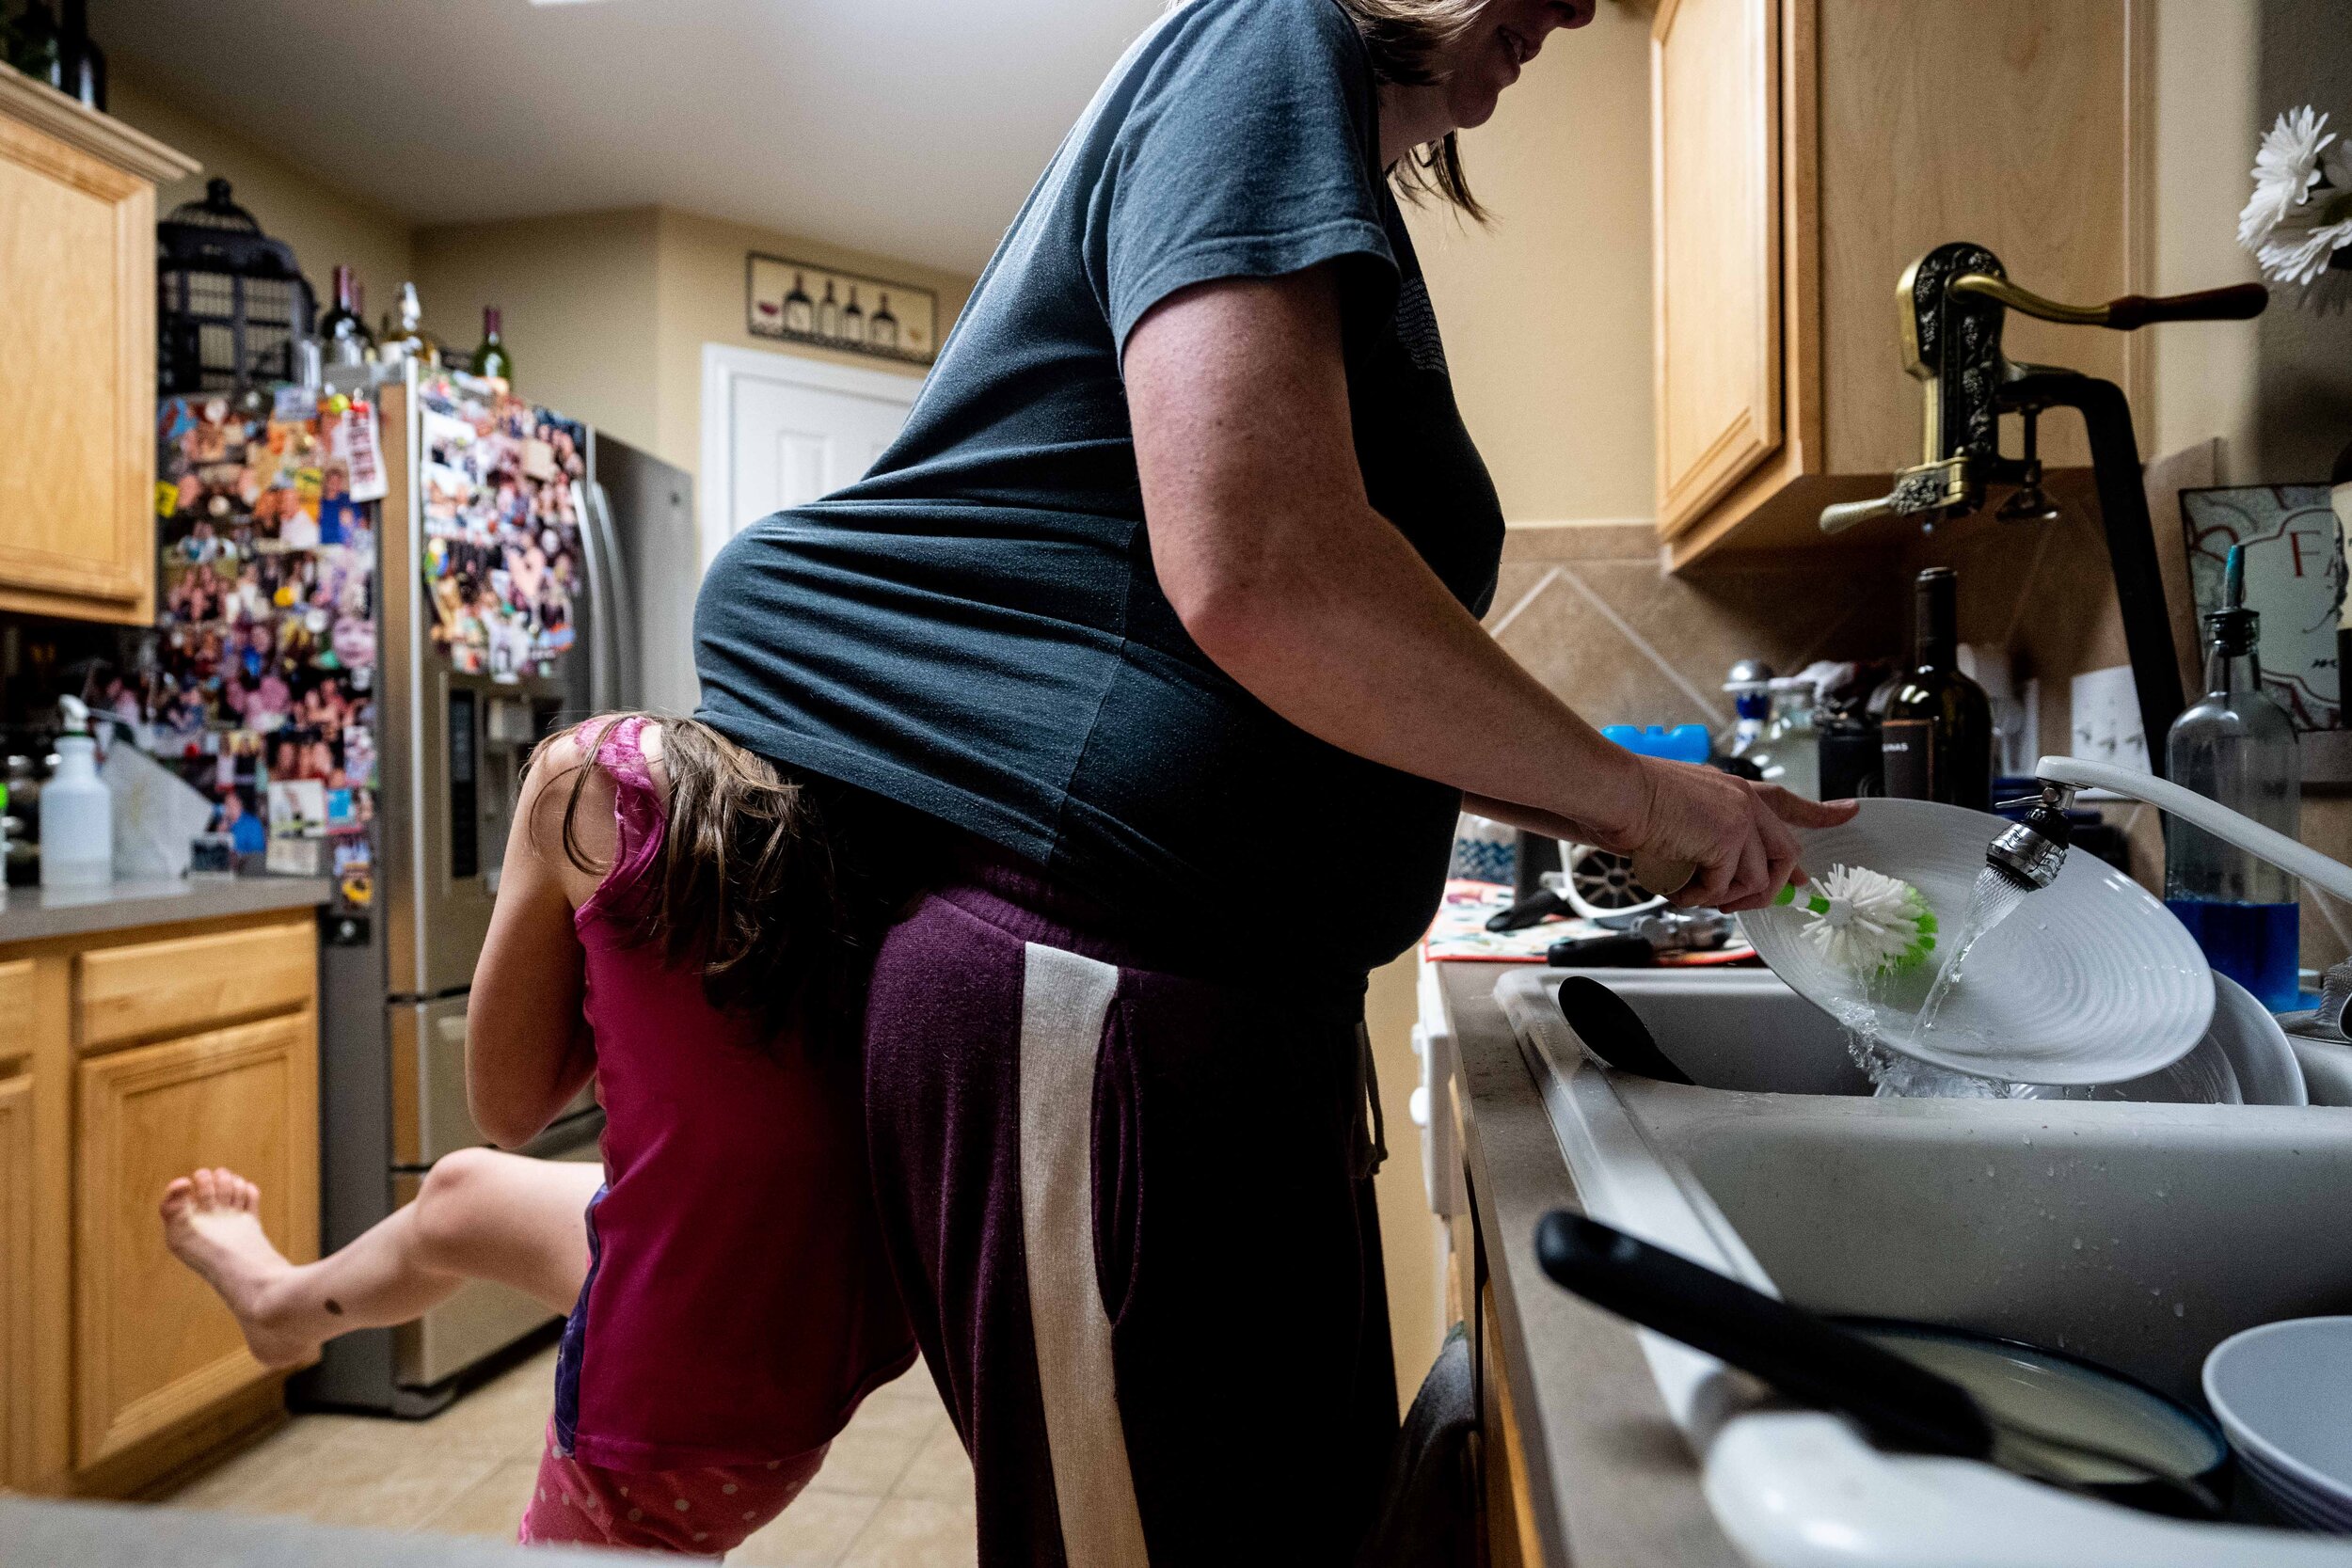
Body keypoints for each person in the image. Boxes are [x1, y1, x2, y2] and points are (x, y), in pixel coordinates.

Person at [691, 0, 1857, 1562]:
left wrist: (1621, 790)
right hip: (1093, 999)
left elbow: (1314, 639)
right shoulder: (1264, 36)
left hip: (1177, 1004)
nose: (1580, 6)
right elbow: (1261, 568)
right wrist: (1634, 802)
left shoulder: (1299, 135)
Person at [163, 714, 914, 1556]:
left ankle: (283, 1308)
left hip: (674, 1418)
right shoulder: (900, 794)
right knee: (462, 1195)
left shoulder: (597, 773)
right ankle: (282, 1307)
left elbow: (508, 1105)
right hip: (816, 1329)